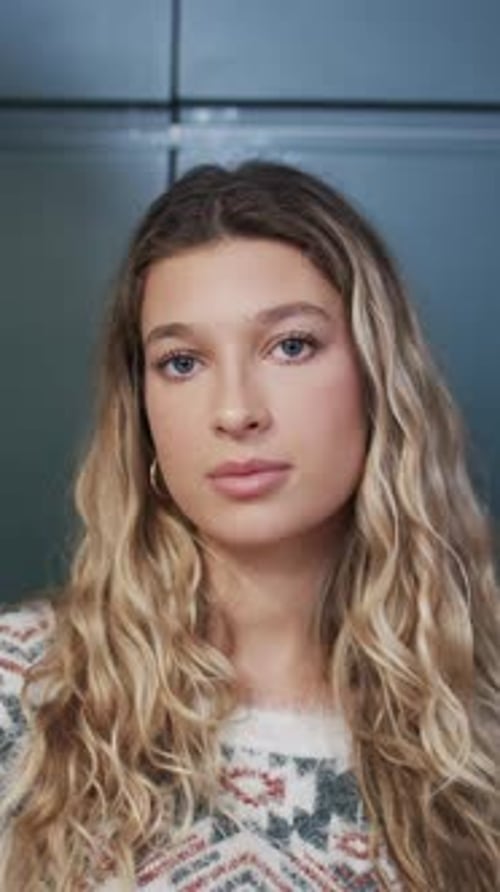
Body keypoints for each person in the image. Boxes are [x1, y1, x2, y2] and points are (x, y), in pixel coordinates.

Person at [0, 160, 498, 892]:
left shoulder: (481, 710)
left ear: (378, 377)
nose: (236, 410)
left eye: (290, 345)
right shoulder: (22, 693)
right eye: (181, 362)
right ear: (142, 412)